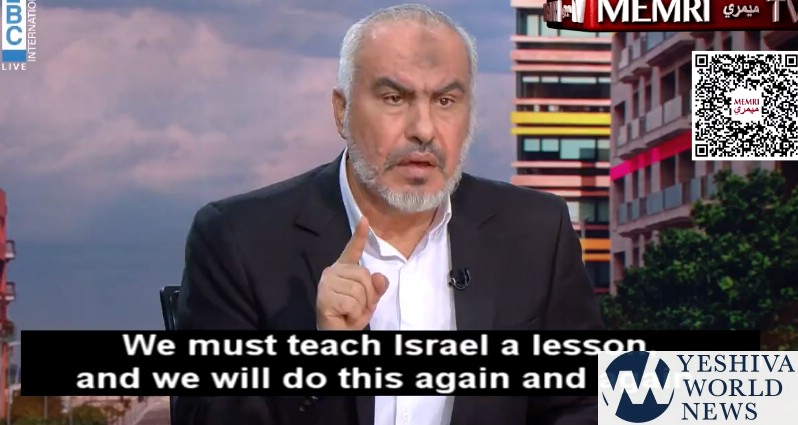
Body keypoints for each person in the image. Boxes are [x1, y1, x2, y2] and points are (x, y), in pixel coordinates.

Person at [174, 3, 604, 425]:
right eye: (394, 98)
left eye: (445, 100)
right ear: (342, 111)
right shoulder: (237, 239)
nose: (424, 129)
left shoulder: (536, 232)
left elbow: (583, 403)